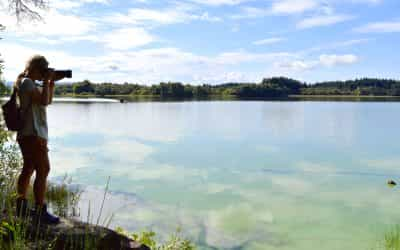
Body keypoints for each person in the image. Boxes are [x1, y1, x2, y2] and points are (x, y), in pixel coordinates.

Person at [15, 55, 64, 224]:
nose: (45, 74)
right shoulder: (28, 82)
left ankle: (21, 206)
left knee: (28, 168)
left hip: (28, 134)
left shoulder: (27, 83)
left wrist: (50, 83)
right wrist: (47, 81)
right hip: (33, 134)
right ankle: (40, 211)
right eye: (44, 70)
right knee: (43, 170)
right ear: (37, 68)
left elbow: (47, 101)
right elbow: (44, 101)